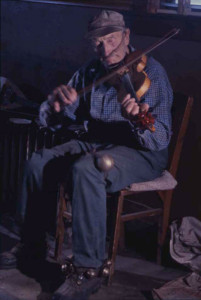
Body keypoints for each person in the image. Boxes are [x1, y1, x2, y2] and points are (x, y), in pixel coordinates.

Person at [0, 10, 173, 300]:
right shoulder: (90, 71)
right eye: (97, 42)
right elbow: (53, 119)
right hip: (96, 142)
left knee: (87, 169)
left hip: (140, 151)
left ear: (127, 36)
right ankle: (31, 244)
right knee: (38, 161)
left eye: (112, 39)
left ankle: (87, 269)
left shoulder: (152, 73)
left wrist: (136, 120)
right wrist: (54, 106)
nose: (105, 49)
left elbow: (160, 138)